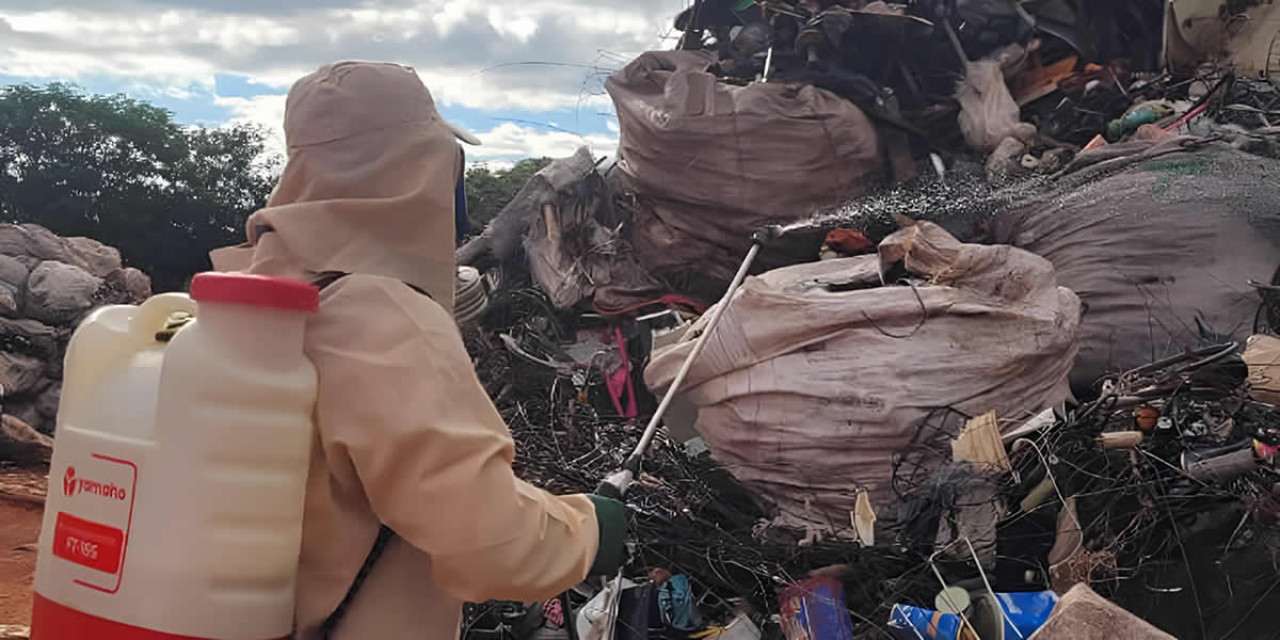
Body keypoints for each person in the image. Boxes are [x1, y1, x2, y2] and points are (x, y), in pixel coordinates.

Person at [211, 60, 626, 639]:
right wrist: (589, 530)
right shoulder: (380, 315)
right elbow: (487, 539)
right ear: (420, 167)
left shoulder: (239, 302)